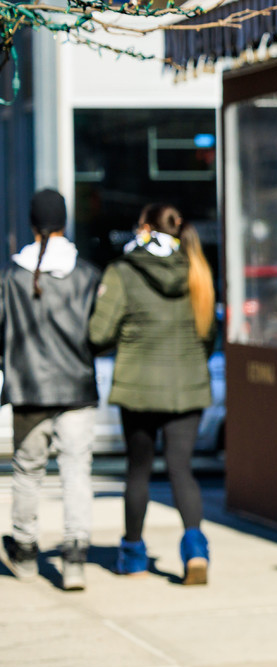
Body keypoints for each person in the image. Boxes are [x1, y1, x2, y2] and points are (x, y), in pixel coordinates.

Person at [88, 203, 216, 584]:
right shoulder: (196, 268)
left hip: (138, 388)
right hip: (188, 386)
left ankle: (133, 555)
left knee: (138, 472)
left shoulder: (123, 271)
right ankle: (196, 551)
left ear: (143, 228)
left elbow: (98, 335)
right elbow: (208, 335)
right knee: (182, 470)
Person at [0, 190, 102, 590]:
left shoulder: (12, 275)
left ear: (31, 223)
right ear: (64, 223)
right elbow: (100, 331)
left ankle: (24, 549)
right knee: (77, 470)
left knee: (28, 471)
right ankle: (75, 557)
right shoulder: (87, 274)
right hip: (77, 387)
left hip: (28, 390)